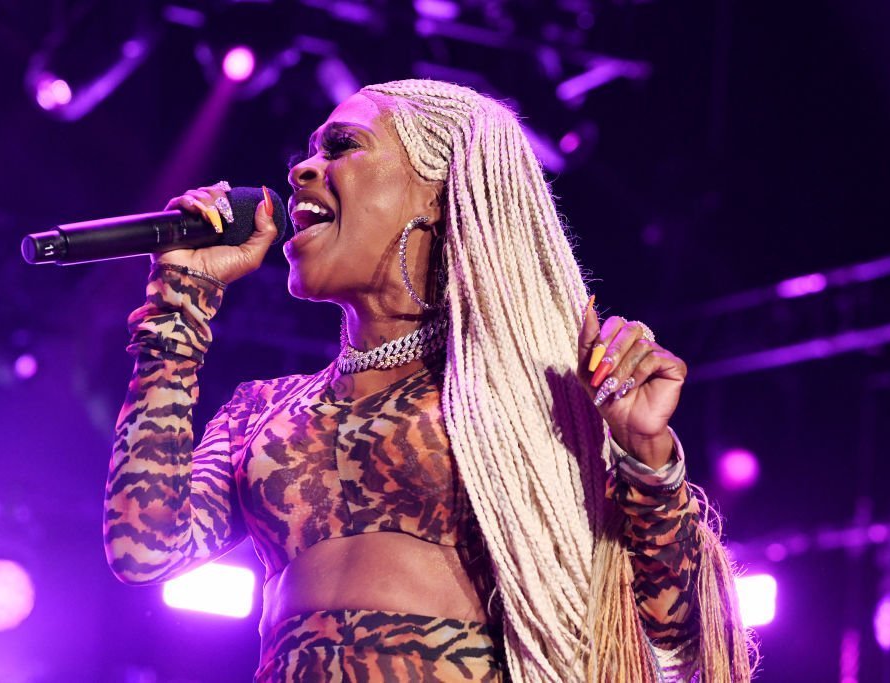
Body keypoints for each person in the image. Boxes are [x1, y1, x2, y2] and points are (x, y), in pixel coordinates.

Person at [103, 79, 756, 682]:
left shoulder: (541, 399)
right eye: (308, 153)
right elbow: (143, 548)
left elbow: (682, 631)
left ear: (442, 193)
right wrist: (177, 304)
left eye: (342, 148)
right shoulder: (263, 410)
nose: (302, 170)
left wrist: (647, 457)